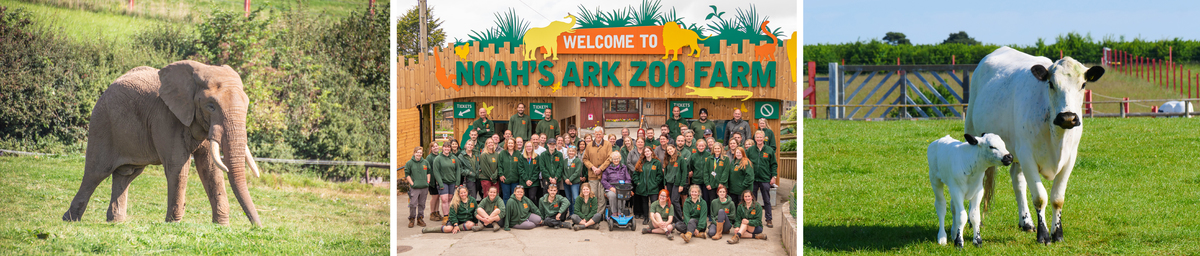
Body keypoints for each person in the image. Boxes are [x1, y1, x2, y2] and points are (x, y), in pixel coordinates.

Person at [746, 130, 778, 228]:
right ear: (754, 139)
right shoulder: (750, 150)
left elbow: (773, 164)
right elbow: (746, 163)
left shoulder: (769, 150)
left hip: (765, 179)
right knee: (752, 200)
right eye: (757, 137)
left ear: (764, 138)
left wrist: (774, 176)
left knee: (767, 200)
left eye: (761, 137)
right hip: (753, 179)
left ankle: (769, 219)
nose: (759, 139)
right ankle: (754, 219)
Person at [583, 127, 612, 215]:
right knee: (592, 195)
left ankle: (600, 214)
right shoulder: (589, 145)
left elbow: (609, 158)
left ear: (603, 135)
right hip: (592, 175)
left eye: (600, 134)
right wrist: (593, 168)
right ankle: (592, 213)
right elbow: (585, 159)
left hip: (604, 175)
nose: (598, 136)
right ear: (594, 135)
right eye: (597, 134)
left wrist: (600, 169)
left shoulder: (607, 144)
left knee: (602, 196)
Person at [432, 141, 461, 223]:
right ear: (443, 148)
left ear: (450, 148)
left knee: (450, 199)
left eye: (448, 147)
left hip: (452, 181)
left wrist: (457, 182)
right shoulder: (438, 158)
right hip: (443, 182)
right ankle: (445, 216)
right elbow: (436, 171)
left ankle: (451, 216)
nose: (447, 148)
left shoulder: (454, 158)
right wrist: (440, 183)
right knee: (444, 199)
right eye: (445, 147)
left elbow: (458, 169)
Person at [632, 146, 662, 226]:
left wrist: (655, 183)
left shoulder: (657, 162)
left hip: (653, 188)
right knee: (644, 203)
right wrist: (638, 183)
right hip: (643, 187)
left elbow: (660, 175)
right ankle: (646, 218)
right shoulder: (641, 163)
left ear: (651, 152)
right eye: (645, 152)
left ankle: (654, 219)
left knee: (654, 203)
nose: (647, 153)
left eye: (648, 151)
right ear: (644, 154)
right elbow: (635, 174)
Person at [404, 146, 431, 228]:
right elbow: (407, 174)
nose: (419, 154)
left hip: (424, 186)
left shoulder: (425, 162)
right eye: (417, 152)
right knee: (412, 204)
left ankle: (420, 218)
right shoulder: (409, 163)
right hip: (415, 187)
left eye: (420, 152)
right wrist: (412, 183)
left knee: (422, 204)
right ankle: (412, 218)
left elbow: (428, 172)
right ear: (414, 153)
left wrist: (428, 181)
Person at [601, 151, 632, 216]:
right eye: (614, 159)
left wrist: (623, 186)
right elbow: (603, 180)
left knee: (622, 195)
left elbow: (628, 179)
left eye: (617, 158)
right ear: (611, 160)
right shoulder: (607, 168)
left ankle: (621, 213)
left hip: (622, 188)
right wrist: (611, 187)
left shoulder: (624, 167)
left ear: (620, 159)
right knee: (613, 195)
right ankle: (614, 212)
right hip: (611, 188)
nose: (616, 160)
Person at [563, 145, 585, 215]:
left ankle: (576, 213)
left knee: (575, 198)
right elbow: (563, 171)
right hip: (566, 182)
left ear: (575, 152)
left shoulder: (577, 160)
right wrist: (566, 179)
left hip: (575, 183)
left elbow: (577, 172)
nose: (571, 152)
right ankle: (571, 214)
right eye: (570, 151)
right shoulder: (565, 160)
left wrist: (570, 179)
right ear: (568, 152)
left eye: (573, 151)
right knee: (568, 199)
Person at [426, 142, 444, 221]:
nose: (435, 148)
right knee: (434, 197)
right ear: (431, 148)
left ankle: (437, 211)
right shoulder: (429, 158)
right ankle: (432, 212)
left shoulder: (440, 155)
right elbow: (428, 169)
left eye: (436, 146)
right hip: (433, 180)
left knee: (438, 197)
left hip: (439, 180)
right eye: (433, 147)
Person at [520, 141, 541, 207]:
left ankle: (534, 211)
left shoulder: (537, 157)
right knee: (525, 198)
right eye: (527, 146)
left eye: (530, 146)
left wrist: (531, 180)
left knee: (532, 197)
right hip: (524, 181)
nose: (528, 148)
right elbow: (520, 169)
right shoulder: (521, 157)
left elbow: (537, 169)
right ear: (525, 148)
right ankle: (526, 212)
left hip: (534, 182)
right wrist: (526, 180)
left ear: (532, 147)